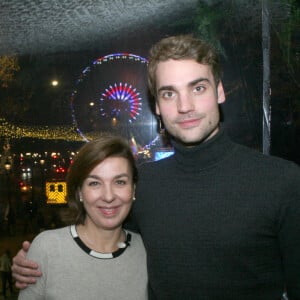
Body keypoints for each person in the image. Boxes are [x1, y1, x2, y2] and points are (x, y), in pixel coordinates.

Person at [12, 35, 300, 299]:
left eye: (198, 88)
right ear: (157, 107)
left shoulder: (282, 182)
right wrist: (38, 262)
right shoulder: (143, 184)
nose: (185, 106)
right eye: (169, 93)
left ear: (220, 92)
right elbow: (103, 240)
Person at [17, 135, 148, 299]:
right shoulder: (47, 249)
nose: (108, 196)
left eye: (120, 182)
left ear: (133, 189)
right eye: (94, 183)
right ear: (79, 192)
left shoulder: (148, 251)